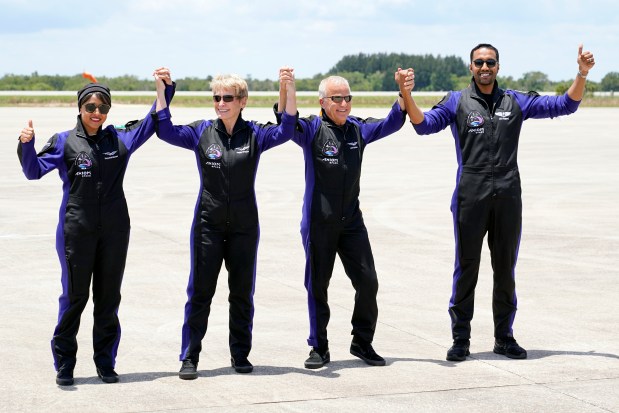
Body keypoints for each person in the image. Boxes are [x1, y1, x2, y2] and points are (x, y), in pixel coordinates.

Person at [395, 44, 596, 361]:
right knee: (467, 269)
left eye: (490, 62)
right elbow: (423, 125)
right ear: (471, 67)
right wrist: (407, 95)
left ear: (498, 66)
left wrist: (581, 74)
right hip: (470, 194)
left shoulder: (514, 100)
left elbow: (566, 104)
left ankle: (504, 337)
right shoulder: (456, 101)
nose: (484, 66)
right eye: (479, 62)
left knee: (505, 270)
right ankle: (460, 339)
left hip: (507, 194)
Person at [17, 69, 174, 386]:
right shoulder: (64, 141)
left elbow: (152, 121)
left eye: (103, 108)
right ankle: (65, 364)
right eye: (90, 107)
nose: (97, 113)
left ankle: (105, 362)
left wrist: (165, 89)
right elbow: (33, 172)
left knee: (108, 298)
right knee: (74, 298)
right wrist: (25, 146)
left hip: (115, 230)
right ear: (80, 108)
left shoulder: (121, 138)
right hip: (77, 229)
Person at [154, 67, 298, 380]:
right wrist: (161, 91)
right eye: (217, 97)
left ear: (242, 101)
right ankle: (189, 357)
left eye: (228, 98)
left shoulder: (256, 134)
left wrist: (288, 90)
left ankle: (240, 355)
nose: (221, 102)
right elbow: (164, 130)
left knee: (242, 294)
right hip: (208, 225)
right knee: (200, 293)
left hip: (245, 228)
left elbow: (287, 129)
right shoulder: (201, 132)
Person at [277, 71, 414, 369]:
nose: (343, 103)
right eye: (336, 98)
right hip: (318, 223)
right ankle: (319, 347)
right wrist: (286, 89)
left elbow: (392, 121)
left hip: (351, 222)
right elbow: (285, 121)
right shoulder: (311, 129)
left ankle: (362, 341)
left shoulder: (358, 130)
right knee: (318, 286)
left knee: (368, 282)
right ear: (323, 101)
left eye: (347, 98)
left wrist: (403, 92)